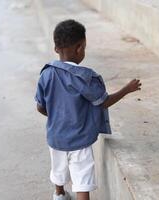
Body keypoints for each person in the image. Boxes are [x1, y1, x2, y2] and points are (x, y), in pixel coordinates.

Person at [35, 19, 141, 200]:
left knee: (58, 170)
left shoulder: (46, 74)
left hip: (55, 136)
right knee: (82, 180)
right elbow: (103, 102)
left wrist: (56, 117)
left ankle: (59, 195)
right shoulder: (85, 78)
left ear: (56, 48)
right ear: (79, 48)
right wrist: (126, 89)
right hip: (79, 140)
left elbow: (40, 107)